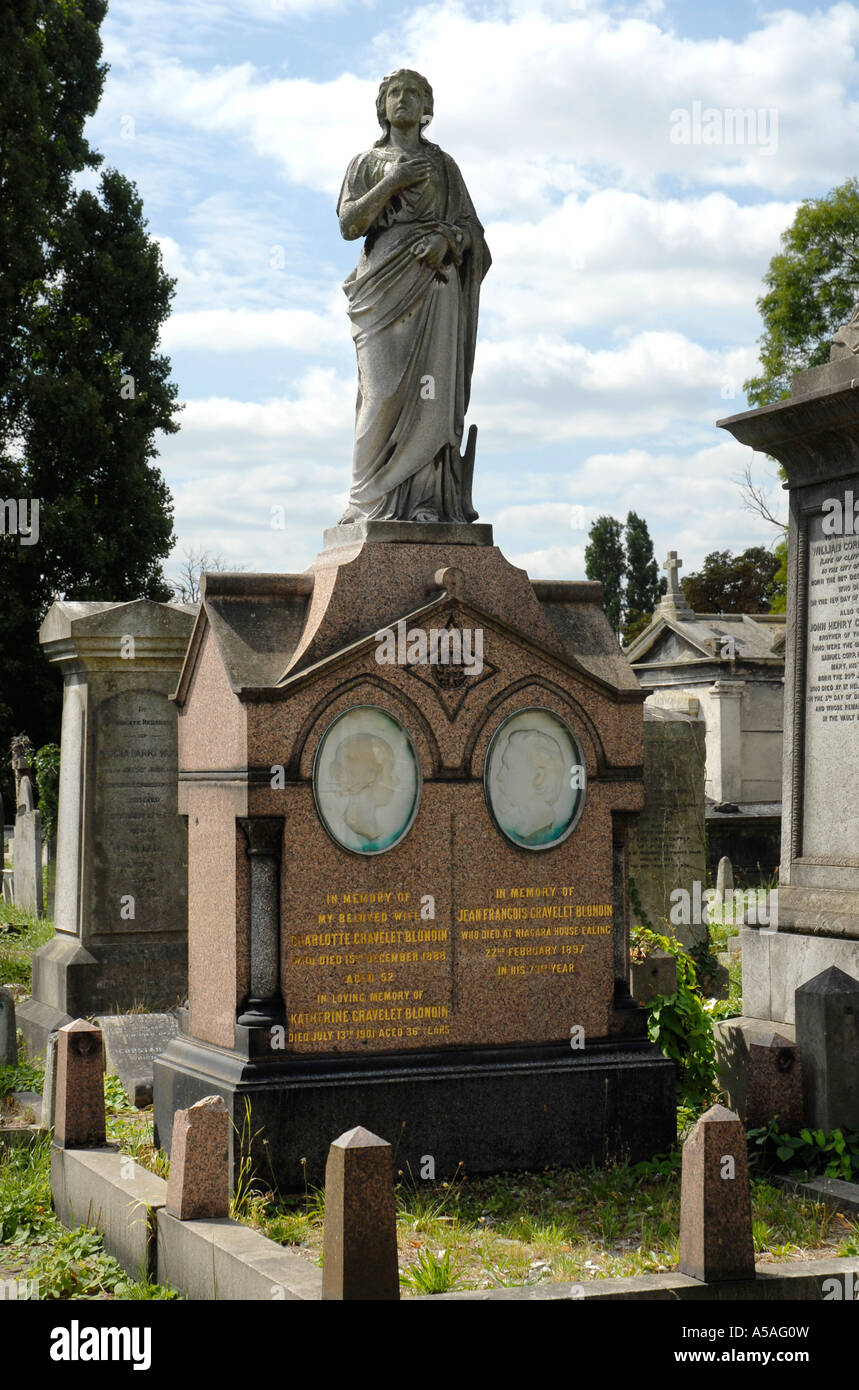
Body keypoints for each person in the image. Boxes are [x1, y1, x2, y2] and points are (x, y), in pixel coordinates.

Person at [337, 69, 490, 523]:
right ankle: (366, 503)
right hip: (383, 285)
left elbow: (474, 232)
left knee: (431, 395)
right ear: (382, 106)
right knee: (380, 393)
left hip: (435, 283)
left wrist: (450, 241)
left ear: (428, 108)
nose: (403, 100)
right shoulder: (365, 163)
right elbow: (349, 225)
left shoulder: (445, 166)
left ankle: (426, 502)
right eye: (395, 93)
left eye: (413, 93)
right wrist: (393, 182)